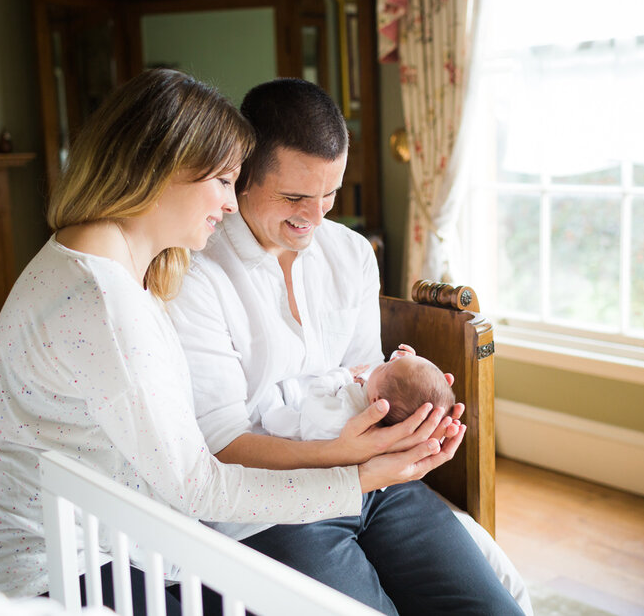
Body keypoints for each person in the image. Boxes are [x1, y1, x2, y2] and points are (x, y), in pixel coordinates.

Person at [0, 69, 465, 614]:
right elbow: (200, 487)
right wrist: (356, 473)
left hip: (118, 541)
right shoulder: (107, 302)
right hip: (64, 564)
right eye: (223, 180)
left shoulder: (113, 267)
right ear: (158, 170)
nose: (229, 204)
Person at [168, 77, 528, 615]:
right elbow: (221, 442)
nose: (315, 218)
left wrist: (413, 422)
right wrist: (347, 457)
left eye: (329, 195)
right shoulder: (196, 273)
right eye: (294, 197)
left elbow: (364, 373)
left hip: (379, 486)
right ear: (240, 175)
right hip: (271, 507)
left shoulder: (352, 254)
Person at [262, 344, 456, 441]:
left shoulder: (345, 412)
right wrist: (409, 361)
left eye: (388, 365)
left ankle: (265, 388)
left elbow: (316, 394)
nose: (388, 361)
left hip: (307, 430)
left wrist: (343, 375)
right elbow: (395, 383)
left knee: (272, 416)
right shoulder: (386, 418)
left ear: (376, 402)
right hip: (318, 415)